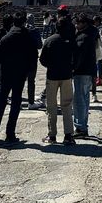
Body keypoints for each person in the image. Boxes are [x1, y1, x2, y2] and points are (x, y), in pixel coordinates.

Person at [0, 11, 38, 147]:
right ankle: (10, 133)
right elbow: (34, 55)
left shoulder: (7, 37)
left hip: (6, 73)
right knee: (16, 103)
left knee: (1, 103)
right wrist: (27, 68)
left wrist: (5, 62)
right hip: (20, 74)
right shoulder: (28, 37)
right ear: (25, 21)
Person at [39, 17, 76, 145]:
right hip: (66, 76)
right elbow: (75, 58)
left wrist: (51, 65)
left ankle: (52, 135)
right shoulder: (71, 40)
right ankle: (68, 135)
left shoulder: (49, 40)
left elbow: (42, 59)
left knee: (51, 106)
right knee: (67, 105)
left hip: (52, 76)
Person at [72, 13, 101, 137]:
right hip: (90, 70)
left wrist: (73, 68)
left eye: (78, 23)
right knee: (84, 98)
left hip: (81, 71)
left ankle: (80, 127)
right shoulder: (93, 33)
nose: (76, 25)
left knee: (79, 100)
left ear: (84, 23)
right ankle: (83, 125)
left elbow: (79, 56)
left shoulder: (84, 37)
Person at [26, 13, 44, 109]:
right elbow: (39, 45)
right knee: (31, 81)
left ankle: (17, 100)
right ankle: (31, 101)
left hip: (22, 58)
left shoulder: (22, 30)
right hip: (32, 58)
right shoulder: (35, 31)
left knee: (19, 81)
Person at [93, 15, 102, 87]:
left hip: (101, 47)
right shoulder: (95, 27)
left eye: (95, 21)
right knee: (96, 64)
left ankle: (100, 79)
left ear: (98, 21)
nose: (94, 23)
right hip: (95, 47)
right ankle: (96, 78)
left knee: (99, 63)